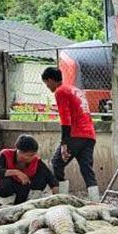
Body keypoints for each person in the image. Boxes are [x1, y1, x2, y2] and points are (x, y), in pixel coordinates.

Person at [41, 64, 99, 200]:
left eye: (46, 83)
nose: (47, 87)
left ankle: (62, 198)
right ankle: (95, 201)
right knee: (87, 169)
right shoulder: (75, 90)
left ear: (50, 80)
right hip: (89, 134)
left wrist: (64, 143)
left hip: (75, 134)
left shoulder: (61, 91)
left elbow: (65, 119)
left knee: (57, 163)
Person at [0, 133, 56, 205]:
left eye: (34, 154)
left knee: (42, 177)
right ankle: (7, 204)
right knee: (5, 181)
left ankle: (31, 201)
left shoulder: (36, 160)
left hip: (24, 194)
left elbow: (50, 177)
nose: (33, 157)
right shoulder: (5, 154)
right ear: (19, 152)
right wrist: (16, 172)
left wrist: (56, 195)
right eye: (29, 155)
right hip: (7, 193)